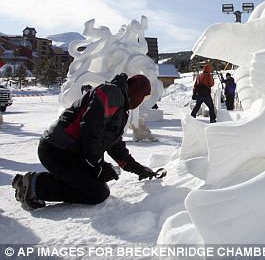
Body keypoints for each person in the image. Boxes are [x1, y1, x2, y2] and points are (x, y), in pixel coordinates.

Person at [12, 74, 159, 210]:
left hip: (71, 152)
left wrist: (139, 169)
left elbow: (114, 144)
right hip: (57, 149)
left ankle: (40, 183)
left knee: (98, 189)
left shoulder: (121, 106)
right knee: (96, 193)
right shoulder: (112, 93)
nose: (141, 103)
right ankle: (32, 184)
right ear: (137, 93)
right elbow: (91, 129)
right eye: (143, 98)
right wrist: (98, 165)